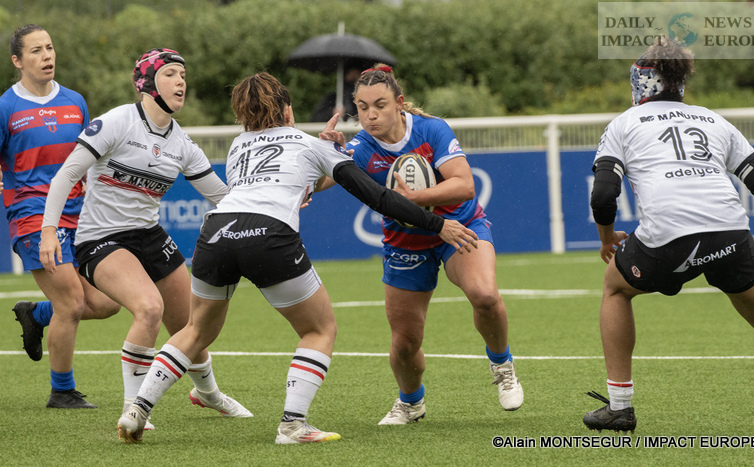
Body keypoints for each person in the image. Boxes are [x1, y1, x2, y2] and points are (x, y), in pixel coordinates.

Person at [115, 71, 478, 444]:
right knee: (318, 330)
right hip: (268, 234)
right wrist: (437, 224)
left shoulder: (239, 145)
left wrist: (322, 155)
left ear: (244, 114)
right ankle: (292, 425)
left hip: (217, 232)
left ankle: (137, 408)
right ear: (288, 110)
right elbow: (378, 197)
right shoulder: (311, 145)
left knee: (195, 330)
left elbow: (281, 175)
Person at [583, 38, 754, 434]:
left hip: (668, 240)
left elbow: (603, 194)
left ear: (640, 82)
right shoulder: (714, 120)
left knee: (616, 287)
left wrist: (606, 238)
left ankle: (619, 408)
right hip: (733, 236)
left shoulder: (624, 124)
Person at [40, 48, 252, 430]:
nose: (181, 81)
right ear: (147, 83)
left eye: (184, 75)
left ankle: (208, 394)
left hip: (149, 235)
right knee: (149, 308)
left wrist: (275, 195)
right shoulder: (117, 122)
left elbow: (223, 197)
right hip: (99, 238)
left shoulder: (182, 143)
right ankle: (133, 407)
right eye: (171, 73)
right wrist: (49, 230)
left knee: (191, 324)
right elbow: (65, 177)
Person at [319, 64, 524, 424]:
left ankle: (502, 365)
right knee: (404, 344)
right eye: (362, 107)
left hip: (460, 226)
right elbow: (321, 183)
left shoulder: (431, 129)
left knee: (486, 295)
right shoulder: (361, 148)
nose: (370, 114)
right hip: (405, 243)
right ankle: (411, 403)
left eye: (379, 104)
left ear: (399, 103)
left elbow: (464, 185)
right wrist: (323, 155)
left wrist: (411, 199)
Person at [1, 24, 120, 409]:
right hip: (32, 214)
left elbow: (89, 161)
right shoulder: (6, 108)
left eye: (49, 48)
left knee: (106, 304)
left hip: (77, 216)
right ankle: (62, 391)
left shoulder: (75, 102)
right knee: (72, 301)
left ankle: (37, 314)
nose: (46, 56)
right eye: (35, 50)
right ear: (18, 61)